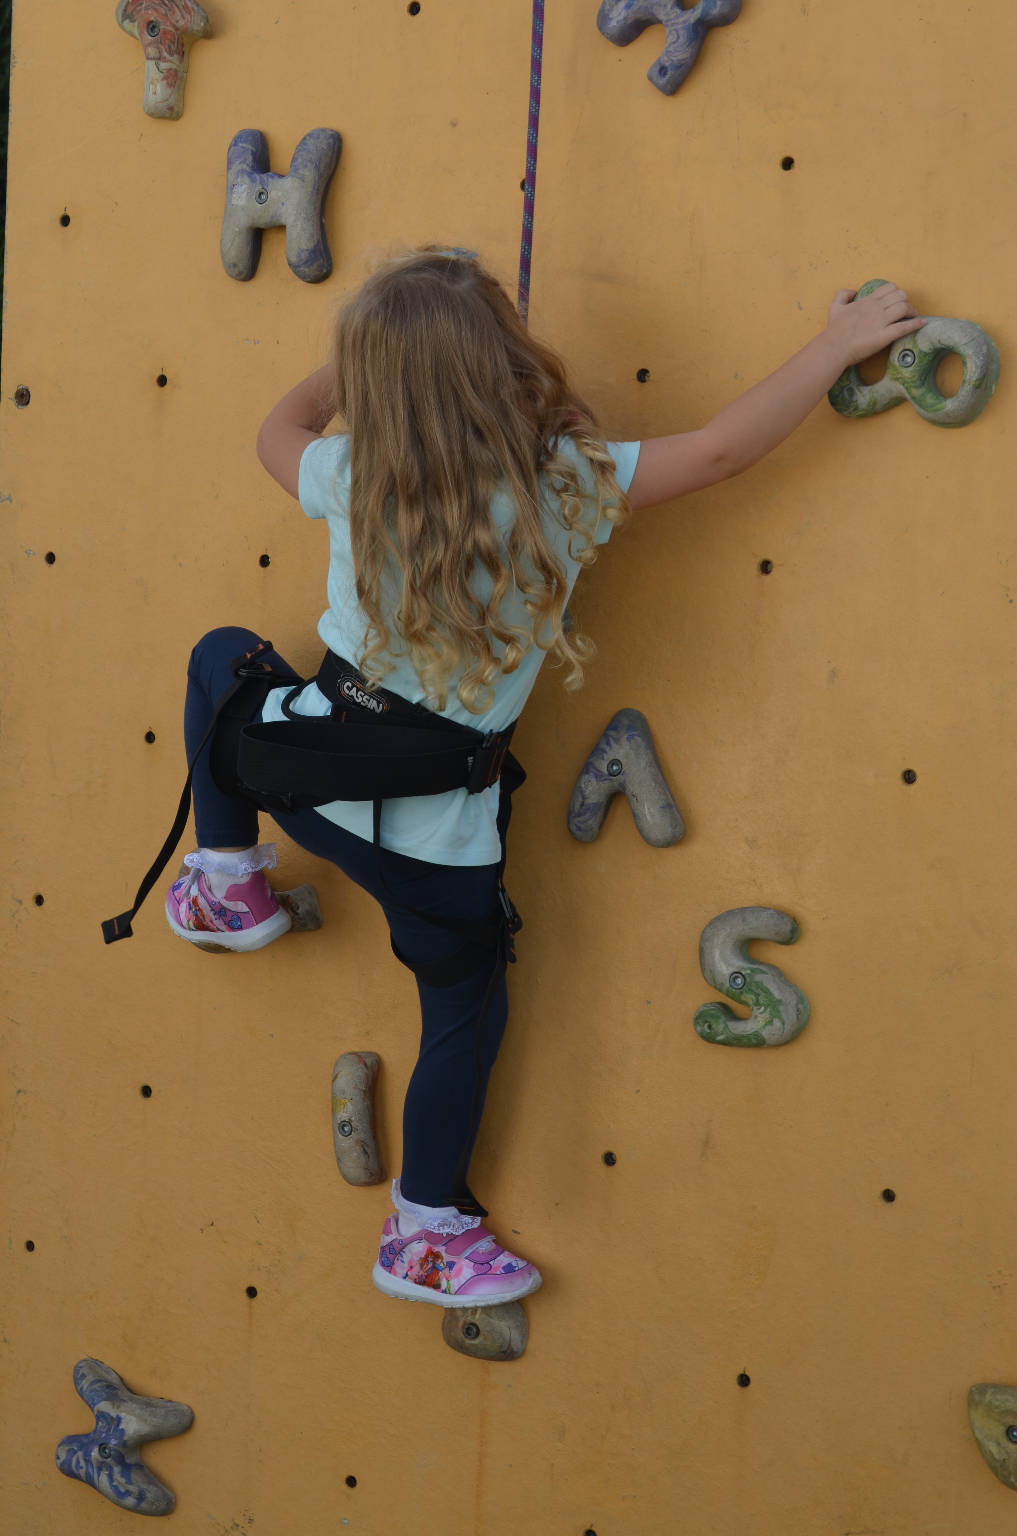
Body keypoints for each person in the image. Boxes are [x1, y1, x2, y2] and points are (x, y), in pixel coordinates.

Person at [163, 250, 923, 1308]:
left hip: (312, 780)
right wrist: (837, 345)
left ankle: (228, 873)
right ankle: (424, 1232)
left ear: (375, 387)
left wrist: (351, 370)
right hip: (436, 840)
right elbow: (717, 451)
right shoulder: (566, 485)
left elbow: (272, 432)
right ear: (505, 361)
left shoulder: (350, 472)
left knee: (219, 655)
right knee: (462, 1012)